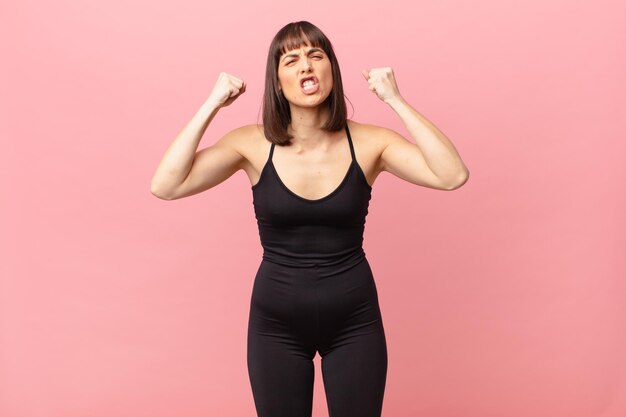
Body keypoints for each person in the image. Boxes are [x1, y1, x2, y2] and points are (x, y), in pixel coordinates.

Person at [151, 20, 469, 417]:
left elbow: (452, 174)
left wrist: (396, 100)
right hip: (275, 326)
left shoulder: (371, 142)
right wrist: (212, 103)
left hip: (355, 321)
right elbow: (166, 185)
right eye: (292, 59)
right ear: (277, 80)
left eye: (316, 56)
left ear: (330, 71)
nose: (306, 66)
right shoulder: (251, 144)